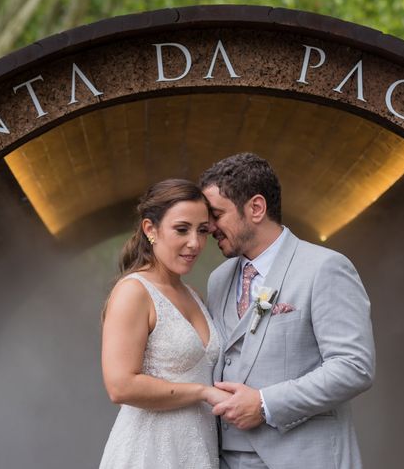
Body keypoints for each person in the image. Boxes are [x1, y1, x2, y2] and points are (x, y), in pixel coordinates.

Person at [200, 153, 375, 469]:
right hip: (223, 458)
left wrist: (265, 404)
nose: (209, 226)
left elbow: (353, 367)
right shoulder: (218, 279)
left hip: (303, 457)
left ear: (256, 208)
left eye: (216, 214)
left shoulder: (325, 267)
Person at [99, 179, 228, 469]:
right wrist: (202, 392)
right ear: (150, 229)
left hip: (198, 451)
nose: (194, 243)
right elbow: (120, 386)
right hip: (150, 453)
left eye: (203, 230)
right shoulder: (133, 291)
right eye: (182, 229)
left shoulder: (193, 294)